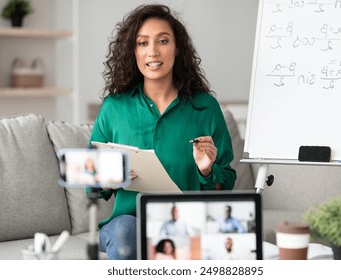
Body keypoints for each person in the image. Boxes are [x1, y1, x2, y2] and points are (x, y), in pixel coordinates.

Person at [88, 4, 236, 260]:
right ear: (132, 51)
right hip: (127, 226)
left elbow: (228, 182)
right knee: (125, 231)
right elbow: (89, 181)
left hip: (187, 225)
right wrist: (108, 177)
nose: (153, 52)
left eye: (163, 41)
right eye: (142, 43)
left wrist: (207, 170)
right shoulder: (114, 108)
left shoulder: (205, 107)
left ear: (177, 48)